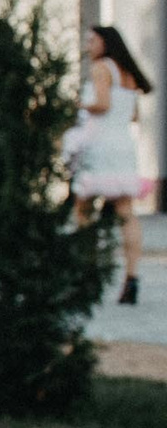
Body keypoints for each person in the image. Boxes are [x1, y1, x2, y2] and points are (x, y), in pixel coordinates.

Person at [73, 24, 151, 304]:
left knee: (82, 206)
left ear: (105, 42)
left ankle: (88, 272)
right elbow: (132, 115)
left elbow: (103, 104)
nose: (88, 45)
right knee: (126, 212)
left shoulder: (101, 68)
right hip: (123, 145)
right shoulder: (128, 73)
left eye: (92, 40)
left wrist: (78, 105)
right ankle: (132, 278)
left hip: (100, 144)